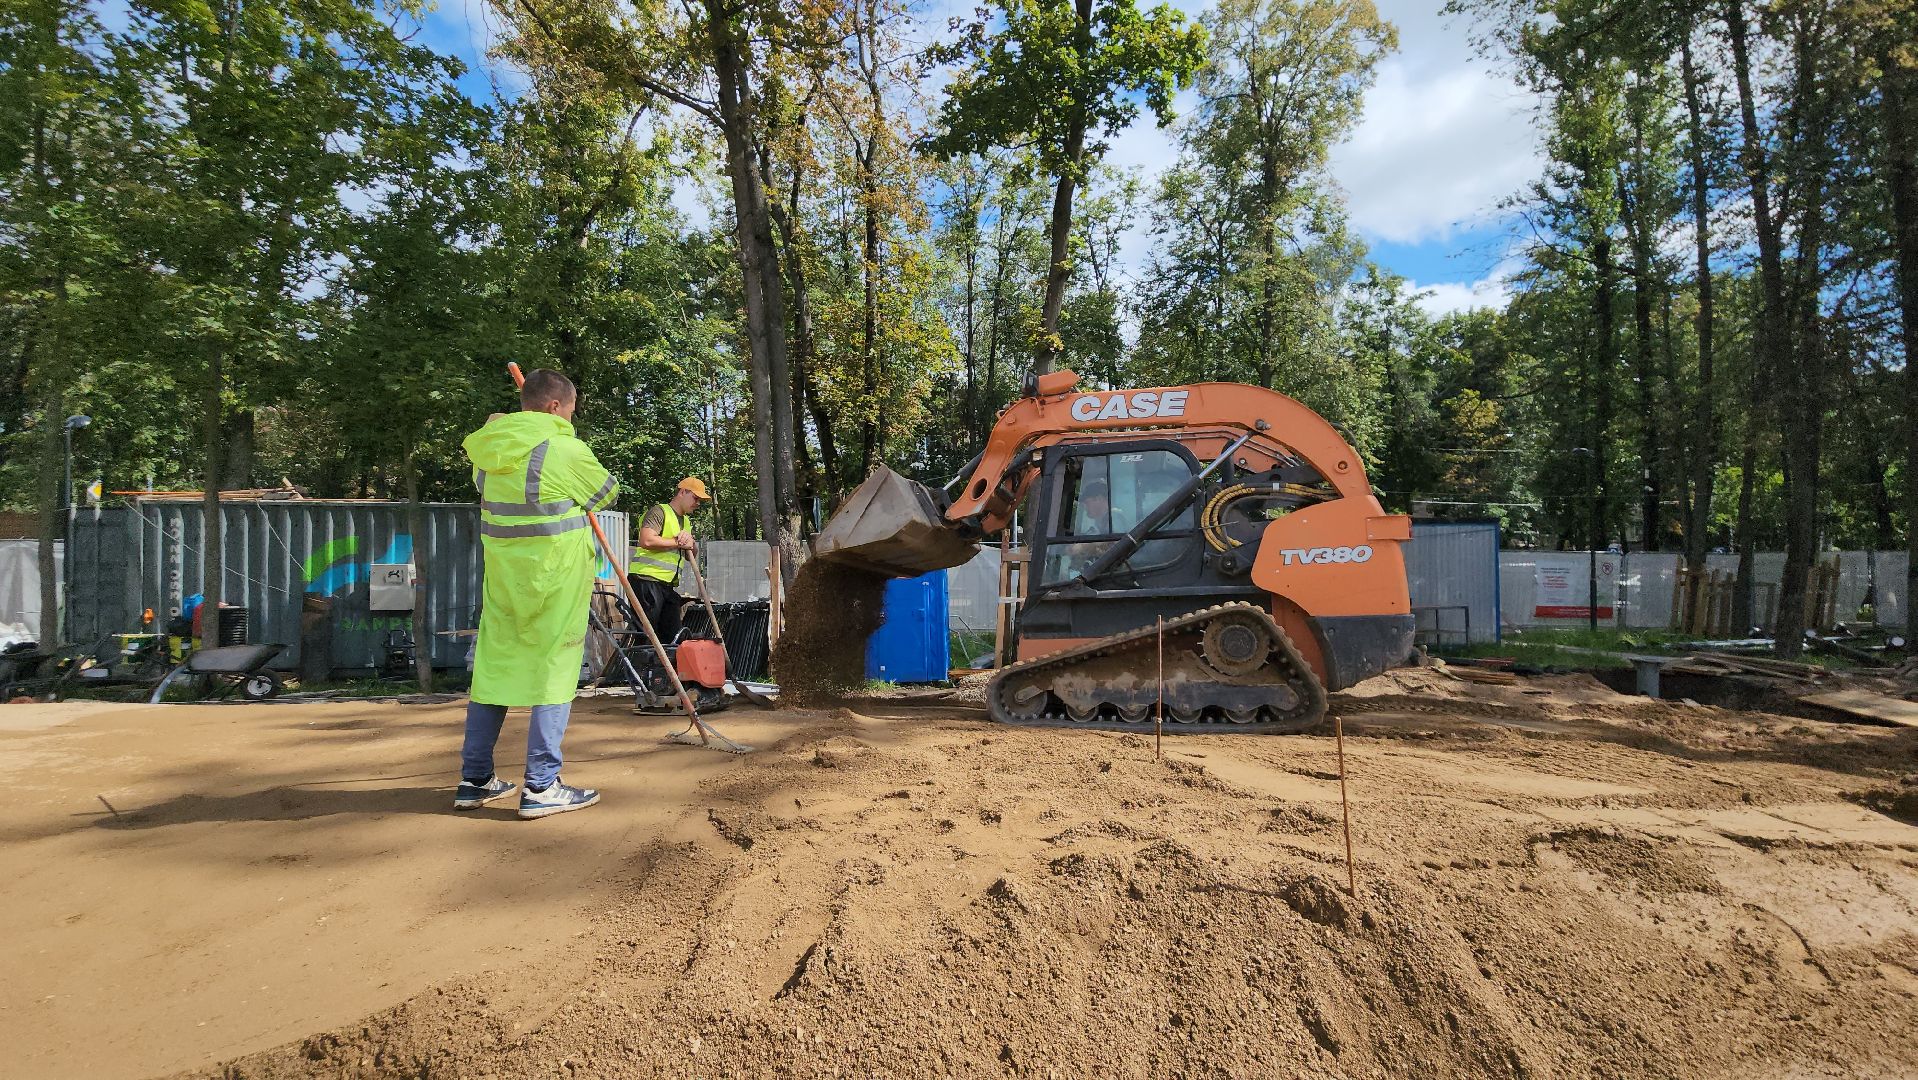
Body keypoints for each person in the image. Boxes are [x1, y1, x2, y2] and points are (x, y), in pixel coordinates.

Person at [455, 368, 620, 819]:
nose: (571, 417)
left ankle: (475, 781)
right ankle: (542, 786)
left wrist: (498, 427)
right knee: (554, 674)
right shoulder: (565, 449)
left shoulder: (490, 449)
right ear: (553, 406)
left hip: (505, 582)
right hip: (555, 581)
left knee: (493, 672)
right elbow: (606, 493)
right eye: (570, 410)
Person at [626, 477, 712, 645]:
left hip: (666, 585)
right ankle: (641, 670)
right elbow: (647, 541)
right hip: (646, 582)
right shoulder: (659, 512)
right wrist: (677, 542)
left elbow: (689, 555)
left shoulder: (685, 521)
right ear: (682, 492)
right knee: (647, 636)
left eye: (700, 500)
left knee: (673, 635)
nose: (698, 503)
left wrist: (692, 544)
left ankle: (664, 669)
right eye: (695, 498)